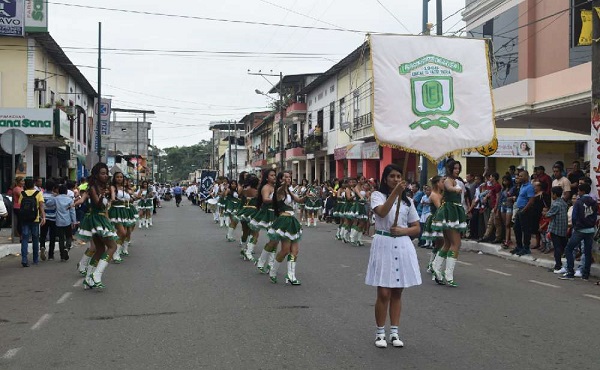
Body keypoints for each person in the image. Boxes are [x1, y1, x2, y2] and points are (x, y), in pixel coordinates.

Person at [365, 164, 420, 348]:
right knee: (383, 291)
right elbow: (381, 212)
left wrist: (404, 230)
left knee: (397, 291)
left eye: (399, 176)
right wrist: (395, 193)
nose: (396, 179)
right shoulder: (377, 196)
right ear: (385, 178)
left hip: (402, 244)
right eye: (392, 176)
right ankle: (380, 332)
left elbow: (417, 227)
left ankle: (394, 332)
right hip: (383, 244)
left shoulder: (408, 201)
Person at [77, 162, 119, 289]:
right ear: (96, 174)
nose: (106, 176)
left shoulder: (102, 187)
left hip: (101, 219)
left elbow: (105, 207)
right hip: (96, 220)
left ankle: (88, 278)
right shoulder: (93, 188)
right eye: (102, 173)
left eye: (106, 173)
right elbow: (97, 203)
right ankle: (97, 275)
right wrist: (103, 194)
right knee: (113, 247)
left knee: (100, 249)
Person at [431, 160, 468, 287]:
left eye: (458, 168)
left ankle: (436, 267)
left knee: (448, 243)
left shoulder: (455, 180)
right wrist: (455, 189)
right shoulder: (448, 180)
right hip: (451, 213)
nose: (457, 170)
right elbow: (448, 187)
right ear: (450, 169)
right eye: (455, 168)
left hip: (453, 212)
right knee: (456, 243)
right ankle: (448, 275)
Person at [266, 171, 306, 284]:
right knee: (284, 250)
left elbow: (298, 200)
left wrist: (307, 196)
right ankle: (273, 272)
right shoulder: (278, 191)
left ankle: (291, 276)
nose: (288, 179)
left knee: (295, 251)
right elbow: (280, 189)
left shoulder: (289, 190)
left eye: (289, 177)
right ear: (280, 180)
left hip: (292, 220)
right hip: (284, 221)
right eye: (285, 177)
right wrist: (284, 184)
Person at [560, 183, 597, 281]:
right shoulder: (593, 202)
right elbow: (594, 216)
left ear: (582, 191)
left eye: (579, 191)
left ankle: (570, 272)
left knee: (569, 249)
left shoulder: (578, 202)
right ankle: (585, 274)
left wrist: (575, 227)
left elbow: (574, 217)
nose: (578, 193)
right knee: (587, 252)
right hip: (590, 229)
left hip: (580, 229)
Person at [19, 178, 46, 267]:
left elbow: (20, 206)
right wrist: (43, 217)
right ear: (33, 185)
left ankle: (24, 259)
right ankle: (35, 259)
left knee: (25, 239)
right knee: (35, 239)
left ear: (25, 185)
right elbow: (41, 206)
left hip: (25, 220)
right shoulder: (38, 193)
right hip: (35, 219)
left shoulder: (22, 194)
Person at [511, 170, 536, 256]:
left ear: (526, 176)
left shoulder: (529, 187)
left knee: (526, 230)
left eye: (521, 176)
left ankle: (526, 248)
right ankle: (519, 246)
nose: (519, 177)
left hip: (525, 211)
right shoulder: (522, 186)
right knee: (516, 228)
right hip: (520, 210)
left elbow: (531, 200)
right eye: (519, 176)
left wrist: (524, 210)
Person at [546, 187, 568, 274]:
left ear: (554, 194)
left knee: (557, 248)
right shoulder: (563, 202)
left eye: (552, 193)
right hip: (563, 228)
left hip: (556, 229)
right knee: (561, 247)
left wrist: (545, 213)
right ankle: (561, 265)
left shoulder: (555, 204)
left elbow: (548, 214)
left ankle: (558, 265)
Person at [54, 184, 76, 261]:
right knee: (68, 236)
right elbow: (72, 211)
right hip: (68, 221)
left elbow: (49, 204)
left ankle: (62, 256)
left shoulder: (56, 199)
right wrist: (74, 221)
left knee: (61, 239)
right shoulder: (70, 199)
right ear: (66, 191)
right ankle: (67, 248)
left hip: (58, 221)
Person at [39, 179, 57, 261]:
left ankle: (42, 246)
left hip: (43, 218)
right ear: (53, 187)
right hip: (53, 218)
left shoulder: (41, 194)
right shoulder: (55, 196)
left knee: (43, 235)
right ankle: (51, 255)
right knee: (52, 237)